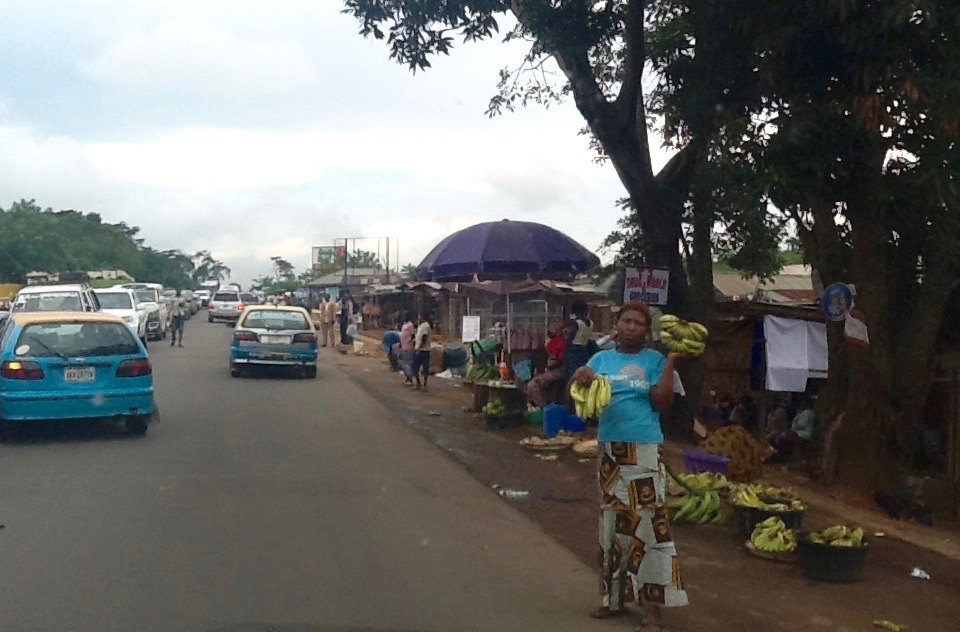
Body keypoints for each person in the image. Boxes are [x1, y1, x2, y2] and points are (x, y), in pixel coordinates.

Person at [572, 301, 688, 626]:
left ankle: (653, 610)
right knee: (611, 525)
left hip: (645, 450)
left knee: (648, 527)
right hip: (610, 452)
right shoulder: (601, 359)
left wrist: (672, 362)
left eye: (639, 322)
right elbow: (578, 392)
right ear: (617, 325)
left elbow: (662, 402)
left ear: (647, 330)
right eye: (626, 321)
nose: (632, 326)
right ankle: (613, 599)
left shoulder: (656, 361)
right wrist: (580, 377)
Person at [525, 322, 567, 407]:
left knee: (533, 385)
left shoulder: (558, 342)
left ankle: (544, 408)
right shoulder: (556, 341)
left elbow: (553, 362)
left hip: (559, 370)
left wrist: (545, 366)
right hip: (556, 369)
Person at [563, 299, 594, 383]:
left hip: (574, 351)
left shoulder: (577, 323)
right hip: (585, 350)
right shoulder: (590, 323)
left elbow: (570, 338)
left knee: (571, 376)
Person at [413, 314, 433, 391]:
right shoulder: (421, 326)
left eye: (419, 316)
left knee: (422, 368)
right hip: (421, 349)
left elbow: (424, 338)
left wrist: (418, 348)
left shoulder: (425, 326)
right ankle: (419, 383)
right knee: (419, 367)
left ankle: (423, 384)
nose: (418, 318)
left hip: (423, 350)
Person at [399, 314, 417, 386]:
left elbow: (413, 336)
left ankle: (410, 379)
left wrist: (413, 344)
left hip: (409, 347)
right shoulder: (404, 325)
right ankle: (407, 378)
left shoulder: (410, 325)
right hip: (404, 347)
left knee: (408, 364)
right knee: (404, 364)